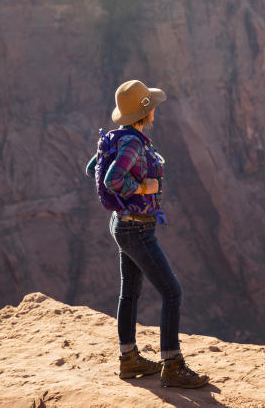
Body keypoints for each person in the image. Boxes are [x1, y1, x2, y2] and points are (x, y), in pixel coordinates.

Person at [85, 79, 209, 389]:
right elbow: (112, 179)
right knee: (172, 291)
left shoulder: (120, 137)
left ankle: (129, 359)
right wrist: (142, 187)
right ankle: (173, 365)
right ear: (147, 111)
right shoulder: (134, 143)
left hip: (122, 224)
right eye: (151, 105)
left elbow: (94, 170)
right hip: (136, 228)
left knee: (130, 292)